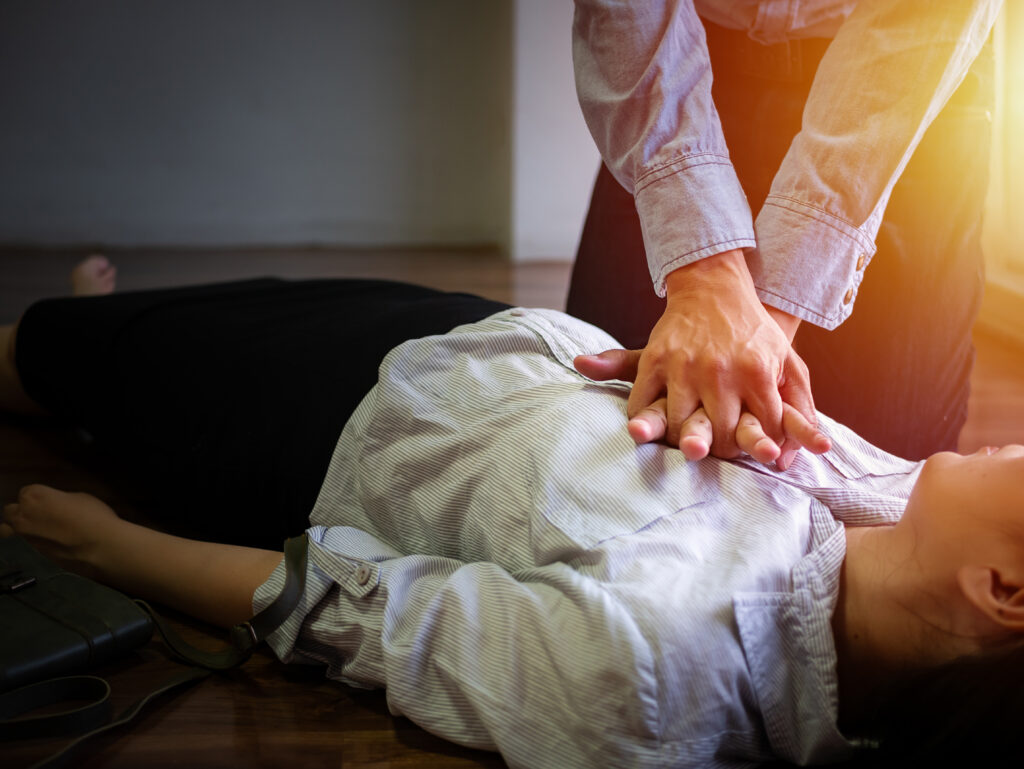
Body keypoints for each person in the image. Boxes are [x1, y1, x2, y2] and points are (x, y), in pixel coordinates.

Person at [2, 259, 1024, 767]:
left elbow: (348, 609)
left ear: (1002, 591)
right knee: (153, 324)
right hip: (482, 339)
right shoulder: (895, 501)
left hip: (331, 419)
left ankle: (76, 351)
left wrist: (109, 547)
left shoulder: (658, 667)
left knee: (44, 353)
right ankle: (106, 323)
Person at [567, 1, 1000, 464]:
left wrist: (755, 340)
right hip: (676, 78)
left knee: (892, 462)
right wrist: (704, 280)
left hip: (910, 89)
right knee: (606, 439)